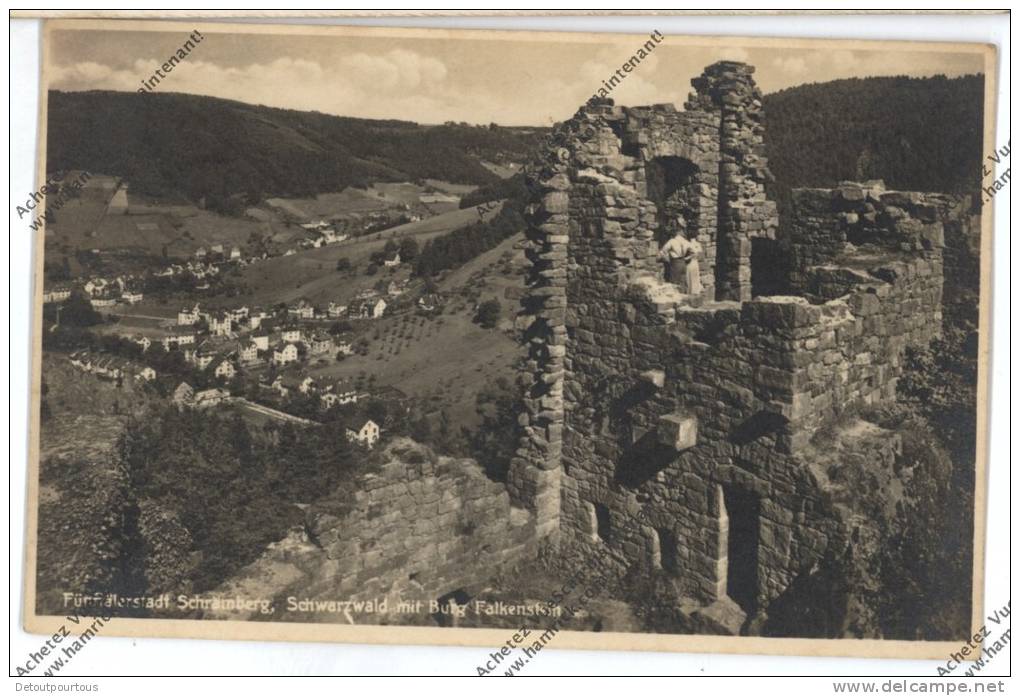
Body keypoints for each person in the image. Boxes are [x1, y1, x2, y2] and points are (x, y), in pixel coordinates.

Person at [656, 221, 703, 295]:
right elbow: (695, 252)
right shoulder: (685, 241)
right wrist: (687, 258)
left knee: (674, 281)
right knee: (683, 282)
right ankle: (683, 298)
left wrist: (663, 258)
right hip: (683, 262)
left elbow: (663, 251)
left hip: (675, 262)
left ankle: (675, 298)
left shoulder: (672, 241)